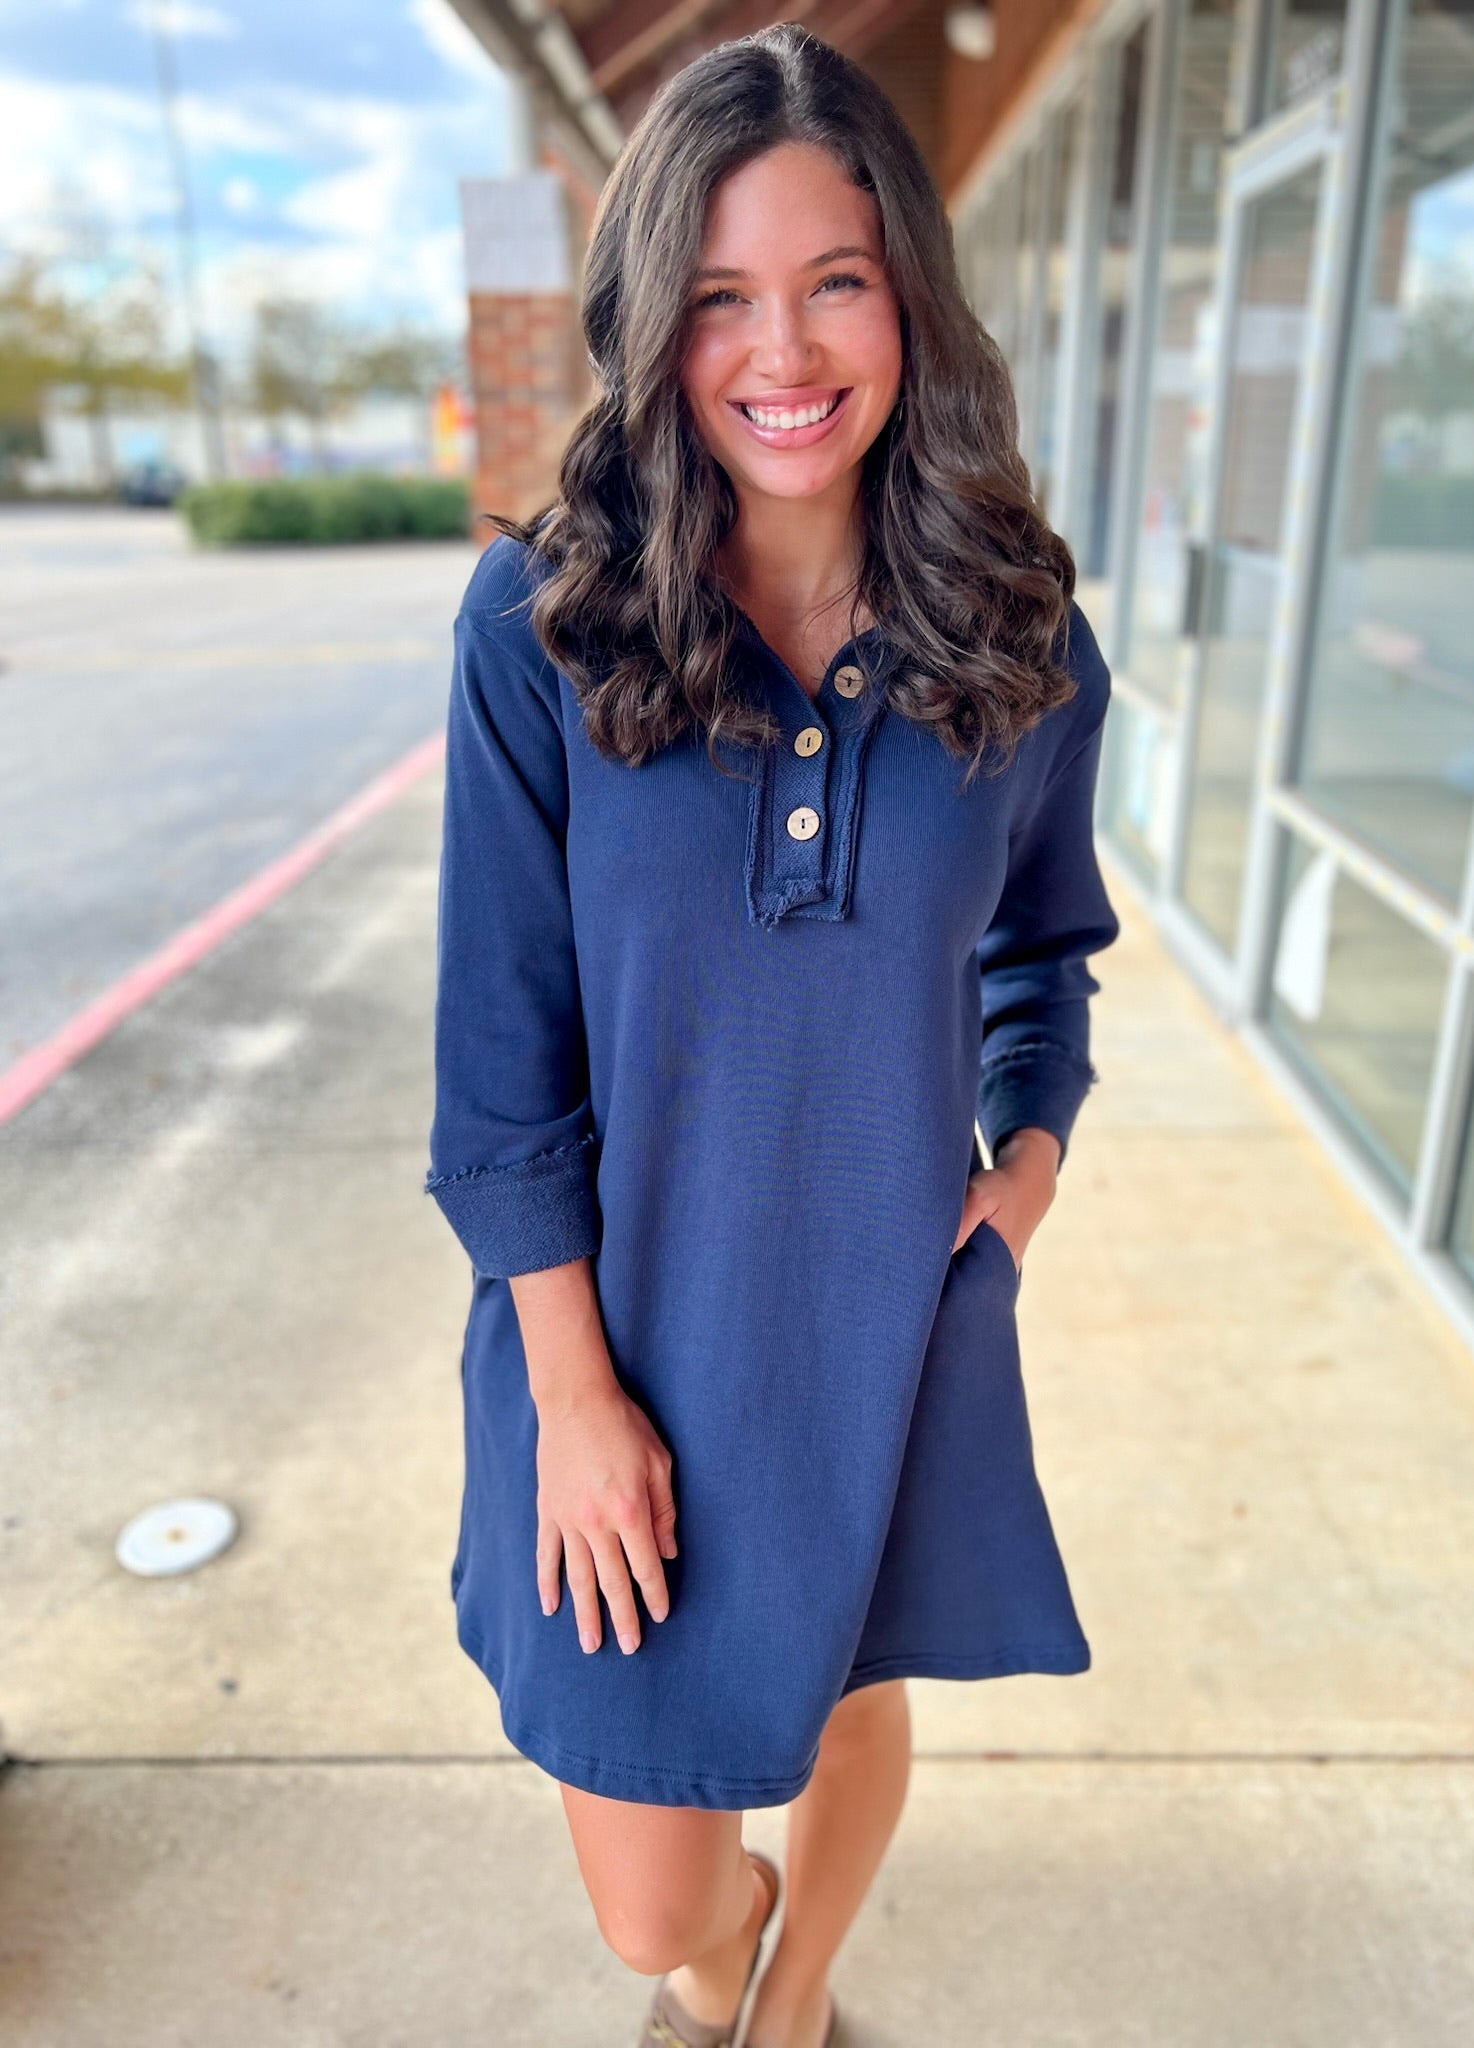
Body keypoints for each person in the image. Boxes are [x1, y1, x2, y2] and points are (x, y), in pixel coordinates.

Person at [424, 24, 1120, 2048]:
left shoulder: (1019, 634)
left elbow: (1044, 950)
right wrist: (572, 1393)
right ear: (656, 327)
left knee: (849, 1689)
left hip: (875, 1315)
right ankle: (723, 1976)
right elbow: (498, 1066)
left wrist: (1027, 1166)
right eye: (720, 295)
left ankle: (794, 2014)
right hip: (611, 1336)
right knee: (648, 1891)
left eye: (832, 279)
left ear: (907, 288)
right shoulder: (543, 630)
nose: (782, 348)